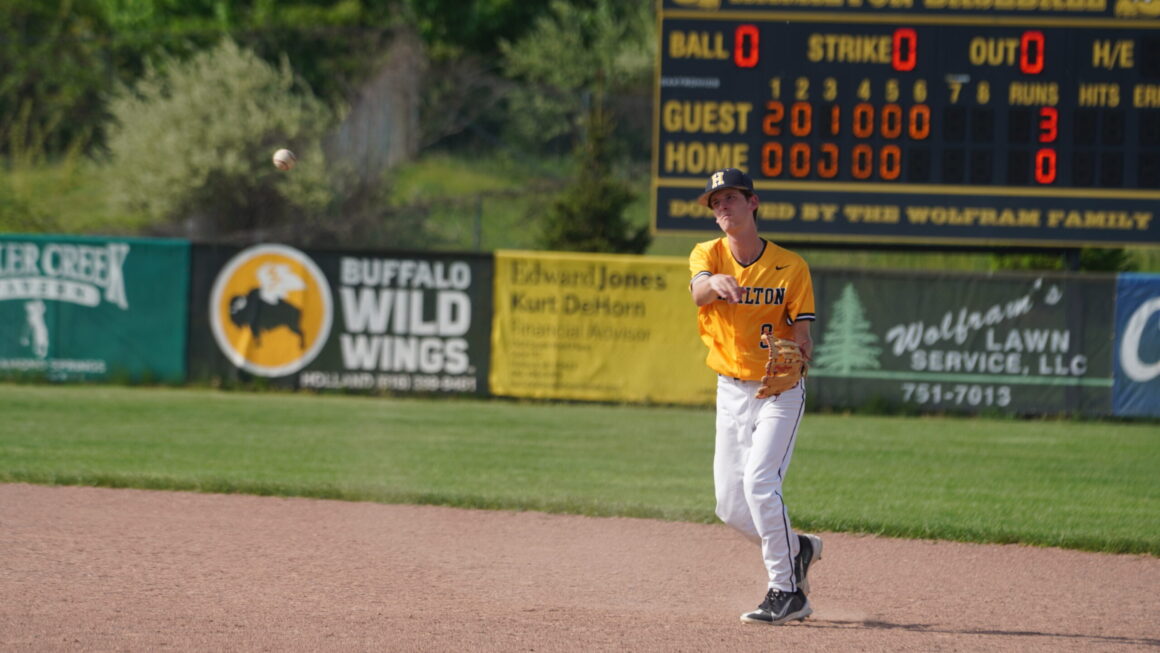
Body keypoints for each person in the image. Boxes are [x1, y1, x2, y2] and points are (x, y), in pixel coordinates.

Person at [688, 167, 823, 626]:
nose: (722, 207)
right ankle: (799, 548)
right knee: (729, 505)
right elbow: (698, 289)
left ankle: (787, 592)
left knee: (760, 484)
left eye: (730, 198)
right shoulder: (708, 254)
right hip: (730, 389)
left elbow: (803, 333)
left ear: (753, 202)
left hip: (778, 391)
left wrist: (801, 346)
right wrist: (714, 285)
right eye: (715, 202)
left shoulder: (791, 266)